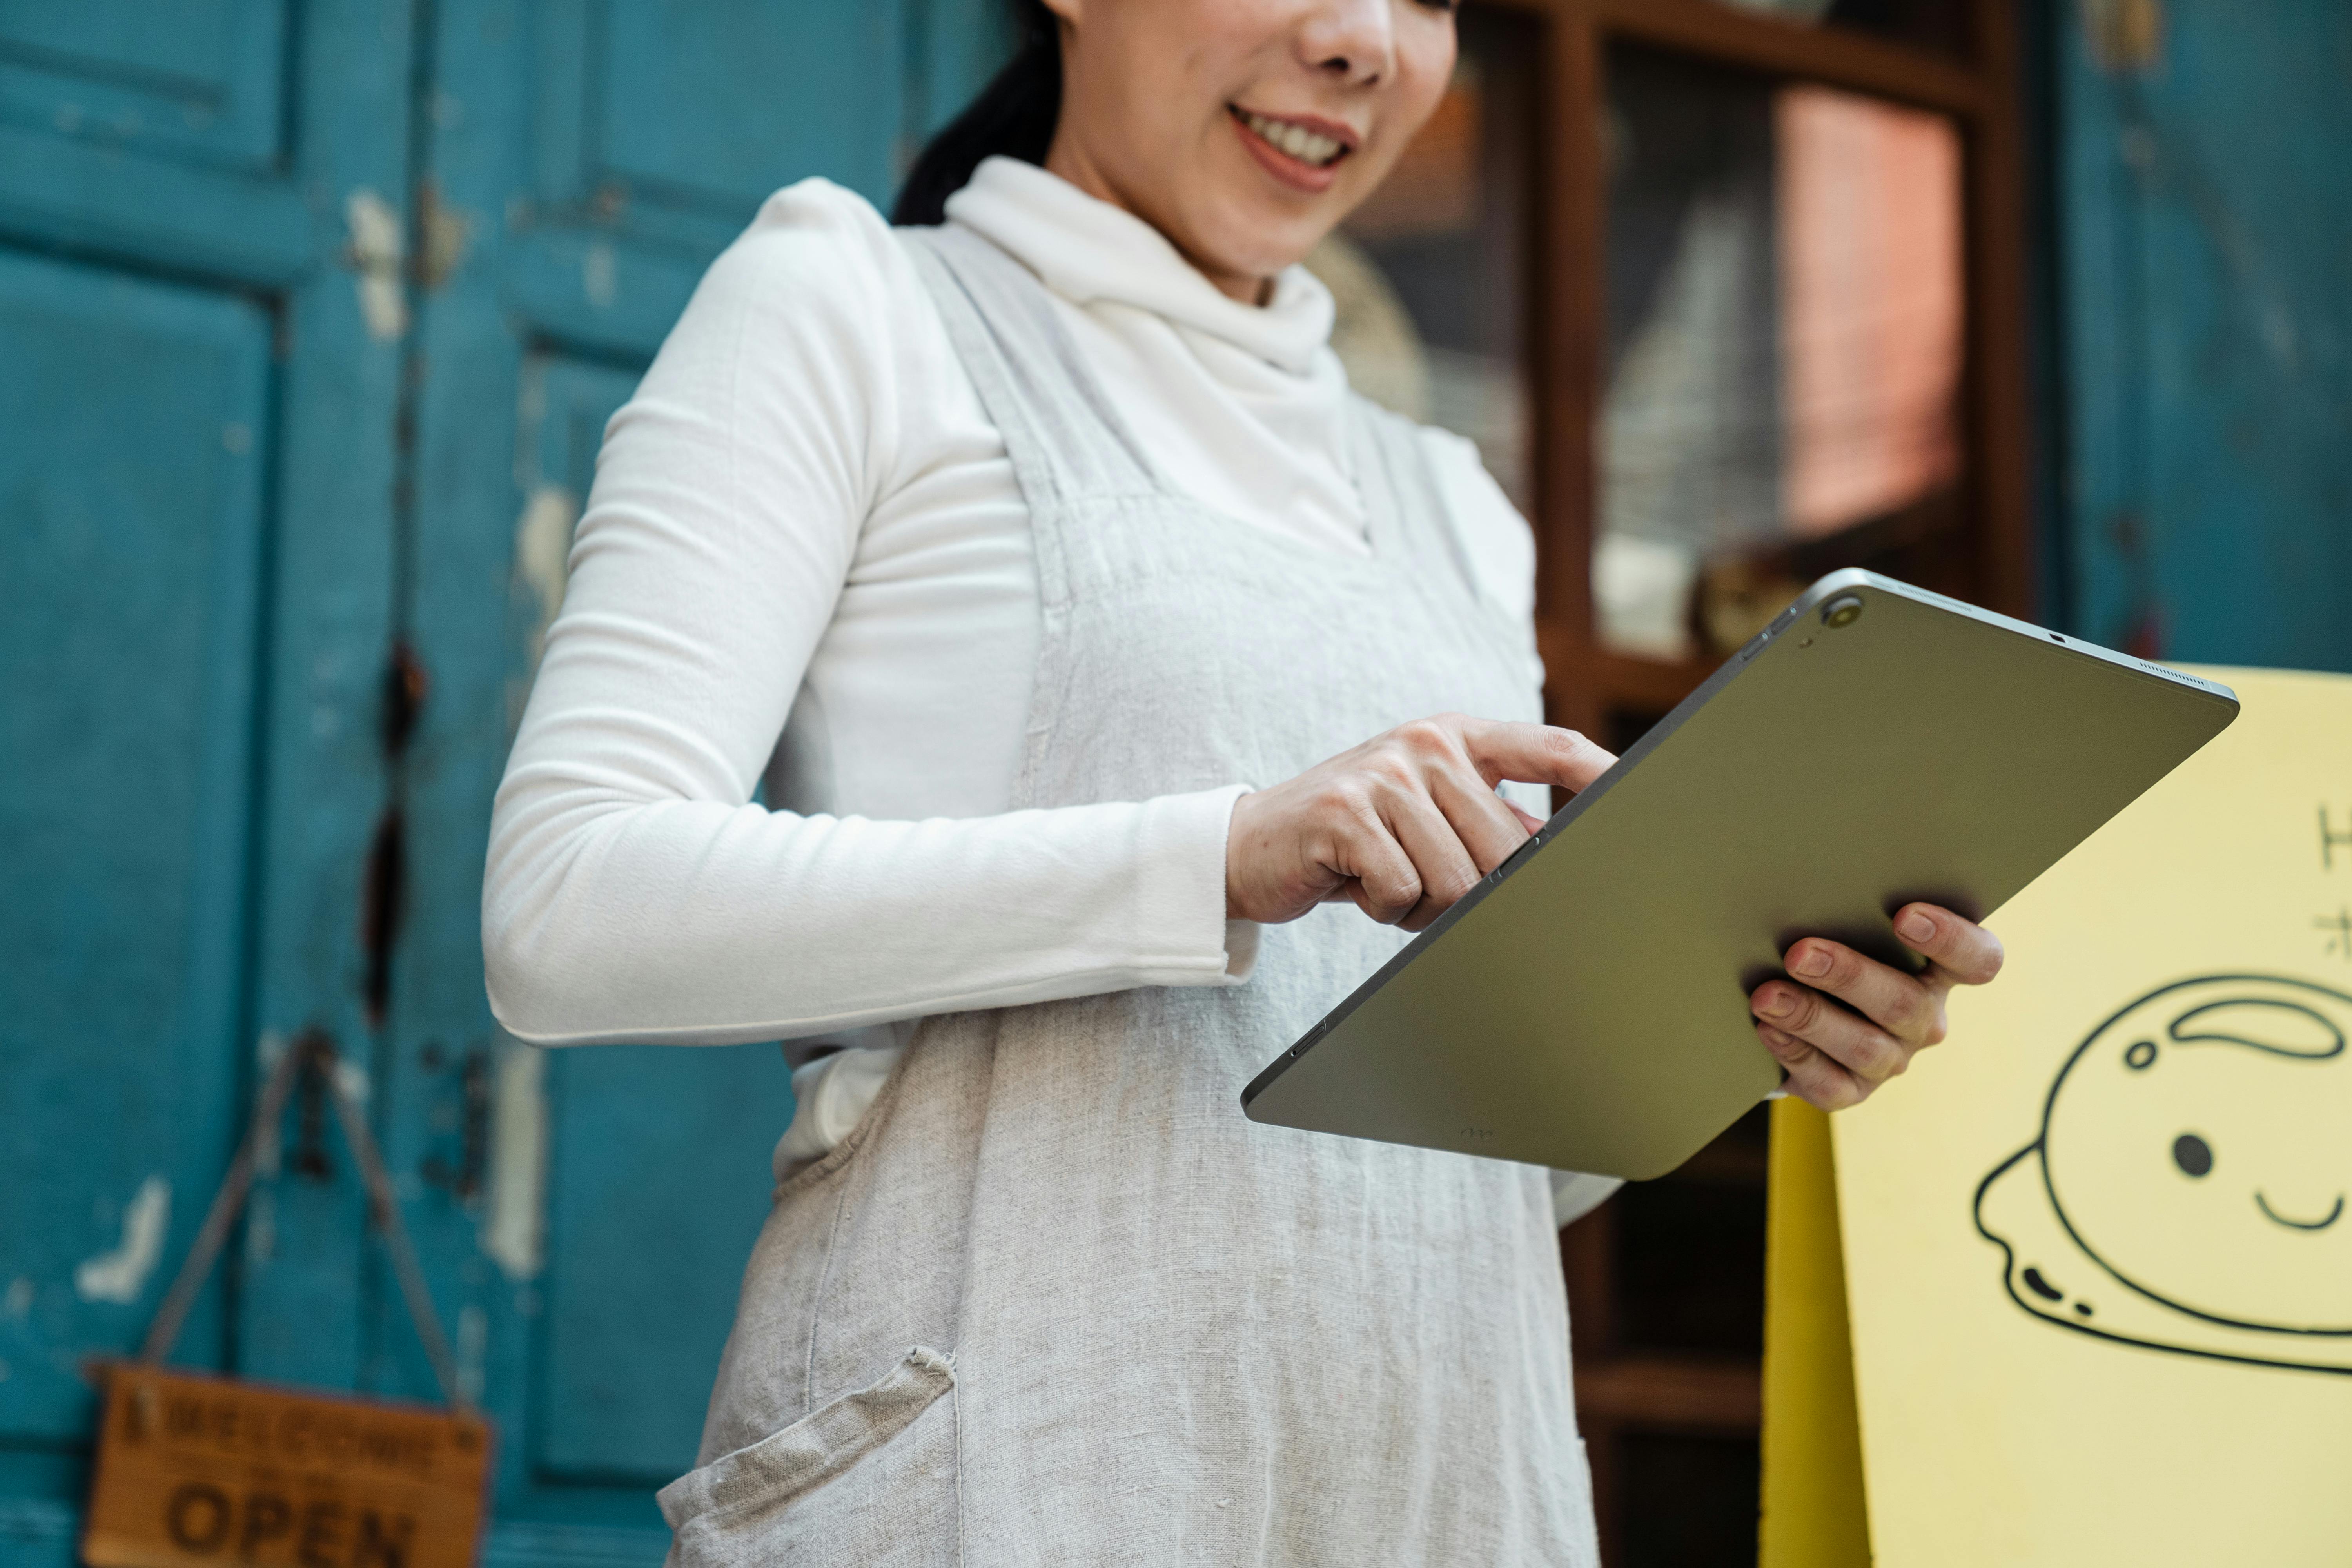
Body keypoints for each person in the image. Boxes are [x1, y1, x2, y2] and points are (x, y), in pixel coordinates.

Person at [481, 0, 2005, 1561]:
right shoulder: (854, 306)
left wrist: (1739, 1027)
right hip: (1010, 1484)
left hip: (1443, 1497)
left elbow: (1464, 1176)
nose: (1366, 43)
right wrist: (1220, 853)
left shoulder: (1454, 504)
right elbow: (569, 907)